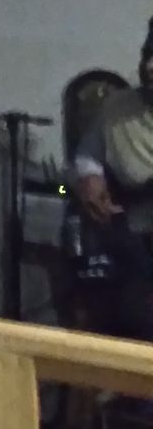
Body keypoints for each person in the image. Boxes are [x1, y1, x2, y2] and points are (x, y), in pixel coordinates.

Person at [71, 20, 153, 339]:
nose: (150, 67)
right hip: (133, 236)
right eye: (147, 55)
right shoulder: (117, 107)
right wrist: (90, 176)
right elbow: (87, 155)